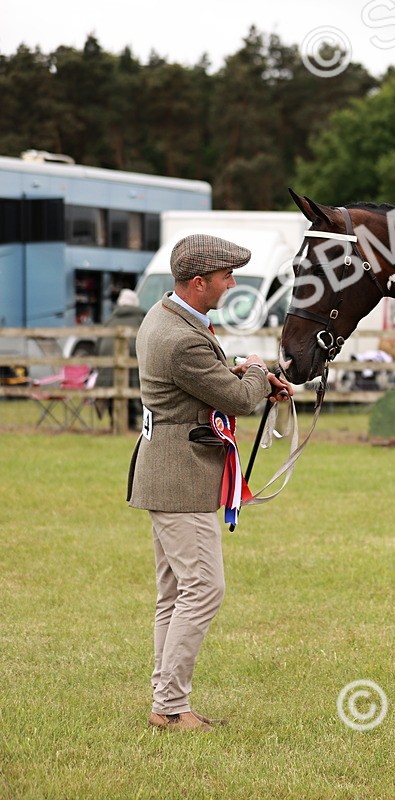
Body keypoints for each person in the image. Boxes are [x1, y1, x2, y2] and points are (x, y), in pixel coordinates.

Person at [127, 234, 291, 733]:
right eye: (226, 276)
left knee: (176, 593)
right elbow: (239, 400)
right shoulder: (181, 338)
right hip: (183, 477)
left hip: (165, 470)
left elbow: (212, 379)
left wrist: (239, 369)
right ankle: (171, 707)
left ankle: (167, 702)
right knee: (203, 590)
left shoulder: (167, 315)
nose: (232, 283)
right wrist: (259, 372)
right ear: (199, 283)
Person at [96, 289, 146, 429]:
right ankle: (130, 423)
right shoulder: (141, 321)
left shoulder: (110, 321)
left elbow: (97, 348)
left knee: (114, 387)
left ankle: (115, 423)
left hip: (106, 370)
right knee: (132, 385)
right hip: (134, 368)